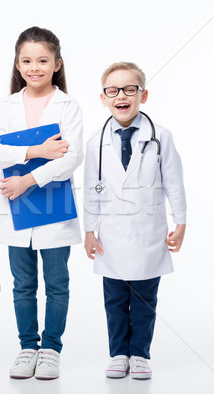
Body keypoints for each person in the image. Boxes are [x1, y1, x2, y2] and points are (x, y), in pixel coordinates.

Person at [0, 26, 83, 380]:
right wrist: (38, 151)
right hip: (15, 211)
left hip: (53, 207)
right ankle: (28, 346)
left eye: (42, 60)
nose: (34, 67)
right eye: (26, 60)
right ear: (17, 63)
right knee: (23, 284)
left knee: (57, 283)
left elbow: (72, 158)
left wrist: (27, 178)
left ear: (57, 64)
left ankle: (51, 349)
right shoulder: (5, 106)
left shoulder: (68, 106)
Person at [82, 62, 187, 380]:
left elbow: (174, 183)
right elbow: (91, 189)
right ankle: (118, 354)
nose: (121, 96)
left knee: (144, 301)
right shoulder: (95, 143)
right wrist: (89, 229)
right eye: (113, 90)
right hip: (110, 236)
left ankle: (140, 354)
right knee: (114, 300)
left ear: (143, 94)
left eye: (130, 89)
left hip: (147, 234)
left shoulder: (161, 137)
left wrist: (180, 223)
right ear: (103, 98)